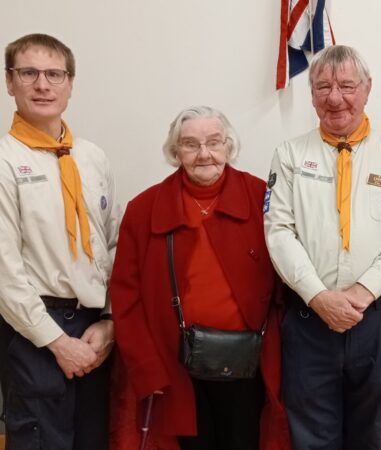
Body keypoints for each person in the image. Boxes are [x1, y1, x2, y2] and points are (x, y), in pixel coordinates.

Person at [264, 45, 381, 450]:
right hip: (309, 319)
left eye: (347, 86)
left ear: (368, 89)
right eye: (323, 87)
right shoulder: (289, 155)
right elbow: (279, 230)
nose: (335, 98)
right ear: (312, 94)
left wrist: (361, 292)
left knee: (373, 429)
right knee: (311, 433)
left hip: (375, 317)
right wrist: (318, 296)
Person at [110, 106, 285, 450]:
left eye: (214, 142)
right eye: (190, 144)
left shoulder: (262, 197)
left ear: (228, 147)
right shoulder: (144, 209)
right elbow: (125, 295)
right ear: (175, 153)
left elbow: (286, 280)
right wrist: (147, 369)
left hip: (247, 365)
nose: (204, 154)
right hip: (176, 367)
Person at [0, 33, 120, 449]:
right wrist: (56, 342)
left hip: (93, 331)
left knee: (93, 439)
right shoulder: (5, 160)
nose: (42, 85)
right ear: (9, 82)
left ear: (70, 84)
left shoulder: (91, 157)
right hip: (33, 330)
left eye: (55, 74)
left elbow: (110, 244)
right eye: (28, 73)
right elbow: (5, 271)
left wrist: (108, 321)